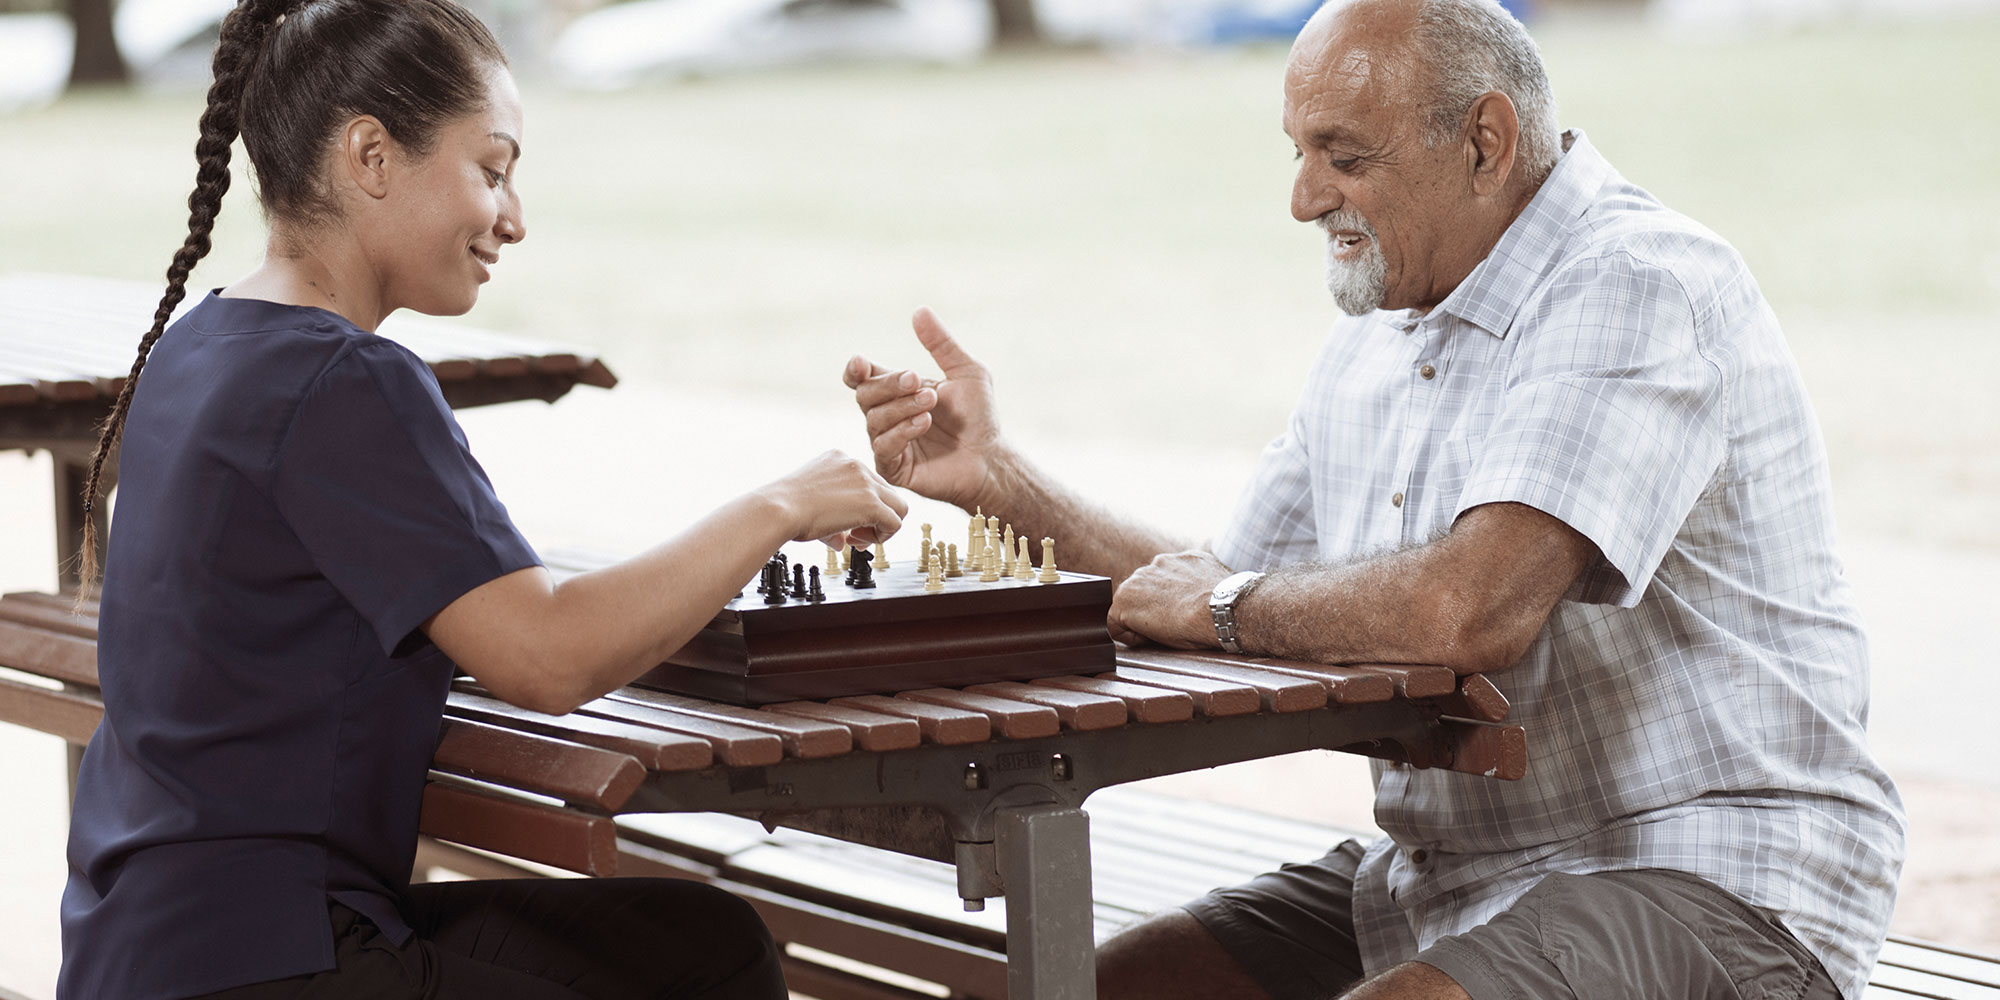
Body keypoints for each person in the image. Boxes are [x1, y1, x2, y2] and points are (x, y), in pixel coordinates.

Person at [842, 0, 1904, 997]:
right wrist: (998, 483)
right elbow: (1204, 589)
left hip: (1716, 870)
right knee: (1099, 988)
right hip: (1445, 876)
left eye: (1343, 158)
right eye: (1298, 152)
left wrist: (1226, 604)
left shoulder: (1632, 284)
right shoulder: (1382, 327)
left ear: (1484, 141)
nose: (1303, 197)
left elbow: (1467, 610)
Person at [58, 1, 906, 997]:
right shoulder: (342, 376)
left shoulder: (202, 344)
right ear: (370, 155)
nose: (513, 217)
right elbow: (547, 656)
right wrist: (779, 503)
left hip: (155, 938)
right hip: (265, 955)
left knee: (697, 945)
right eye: (492, 168)